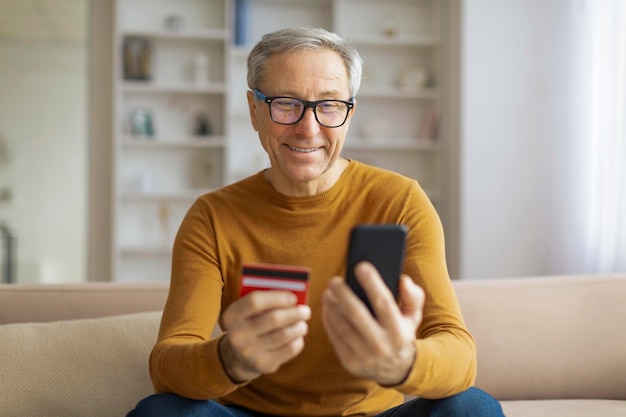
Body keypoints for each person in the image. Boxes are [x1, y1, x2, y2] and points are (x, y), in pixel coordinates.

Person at [127, 27, 504, 417]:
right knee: (161, 411)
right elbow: (167, 364)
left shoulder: (401, 201)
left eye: (329, 105)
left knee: (471, 406)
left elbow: (458, 351)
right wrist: (229, 359)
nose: (308, 129)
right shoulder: (212, 217)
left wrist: (404, 362)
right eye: (285, 104)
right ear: (254, 109)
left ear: (350, 113)